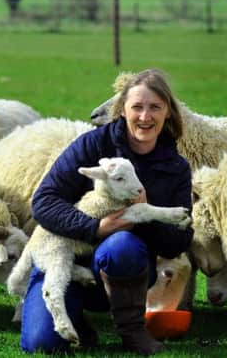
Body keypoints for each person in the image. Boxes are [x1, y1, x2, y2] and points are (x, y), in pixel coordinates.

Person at [21, 68, 194, 356]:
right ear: (123, 111)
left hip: (124, 267)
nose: (145, 117)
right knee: (41, 344)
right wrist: (94, 228)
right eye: (137, 107)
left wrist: (143, 214)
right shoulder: (92, 145)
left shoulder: (175, 168)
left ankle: (132, 330)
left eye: (155, 107)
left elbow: (179, 240)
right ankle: (75, 318)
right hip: (63, 257)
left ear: (168, 113)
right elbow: (44, 201)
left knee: (122, 244)